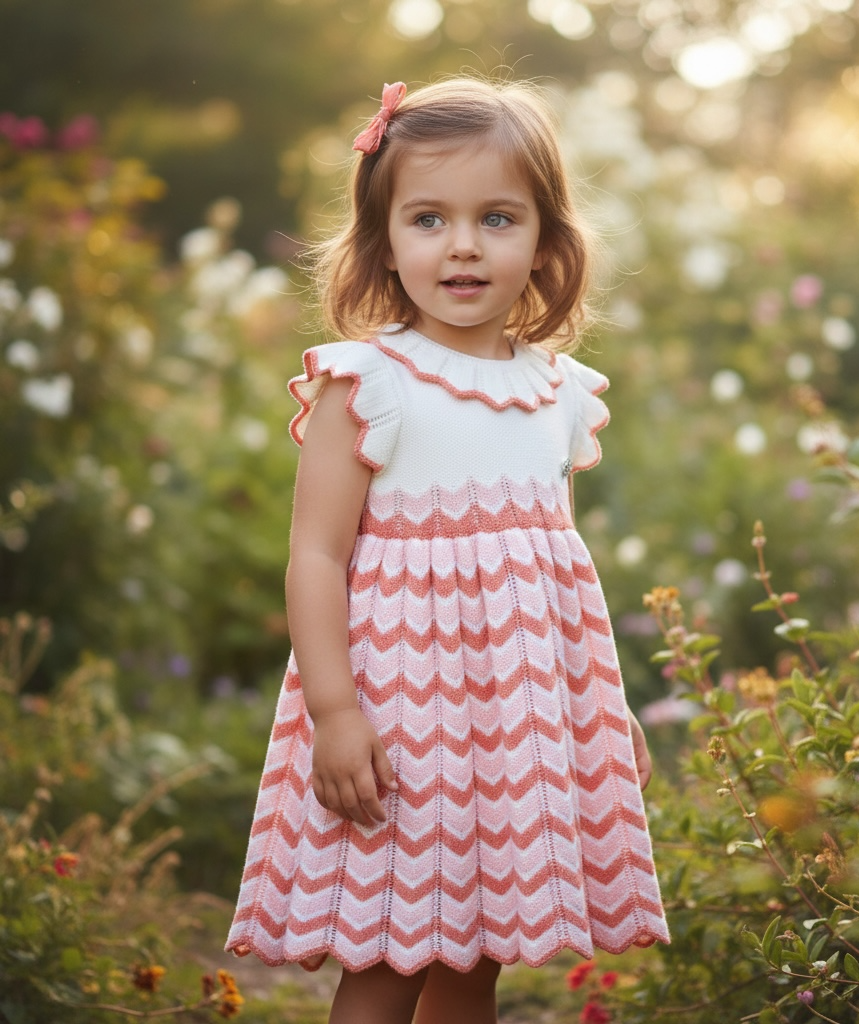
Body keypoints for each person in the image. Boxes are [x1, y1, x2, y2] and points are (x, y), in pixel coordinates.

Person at [225, 77, 669, 1024]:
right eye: (429, 218)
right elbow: (315, 557)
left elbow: (556, 566)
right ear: (385, 240)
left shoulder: (557, 393)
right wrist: (336, 711)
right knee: (390, 954)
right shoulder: (370, 383)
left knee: (480, 957)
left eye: (497, 217)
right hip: (402, 717)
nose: (463, 245)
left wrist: (604, 707)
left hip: (518, 720)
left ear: (546, 241)